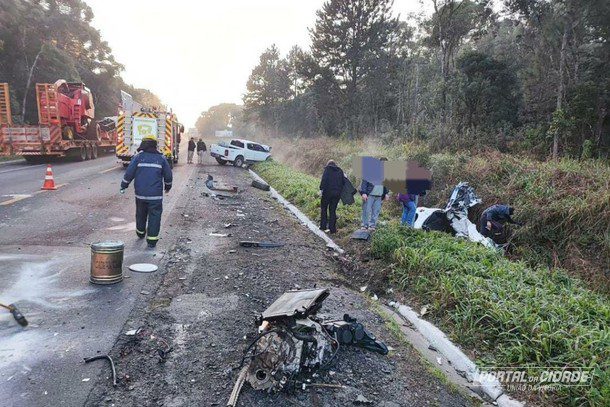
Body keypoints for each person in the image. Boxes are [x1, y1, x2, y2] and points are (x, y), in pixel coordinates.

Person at [120, 135, 173, 248]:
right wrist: (168, 186)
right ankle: (152, 241)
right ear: (155, 145)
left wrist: (123, 185)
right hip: (155, 196)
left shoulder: (138, 158)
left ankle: (140, 233)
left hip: (140, 195)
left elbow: (129, 173)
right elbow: (168, 175)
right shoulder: (161, 158)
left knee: (141, 213)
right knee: (155, 216)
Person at [319, 160, 345, 234]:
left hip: (327, 193)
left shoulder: (327, 170)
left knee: (324, 209)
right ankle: (332, 229)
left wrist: (321, 189)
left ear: (328, 164)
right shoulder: (340, 170)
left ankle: (323, 226)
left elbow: (323, 180)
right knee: (332, 210)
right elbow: (343, 182)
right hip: (337, 194)